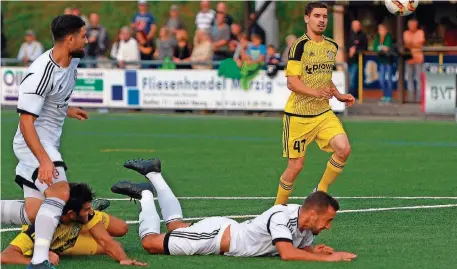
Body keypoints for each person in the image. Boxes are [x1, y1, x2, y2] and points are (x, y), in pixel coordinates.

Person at [111, 158, 357, 262]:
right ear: (312, 214)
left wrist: (314, 250)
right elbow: (287, 253)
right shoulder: (281, 215)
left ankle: (153, 173)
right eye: (327, 220)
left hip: (221, 233)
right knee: (151, 244)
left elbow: (298, 247)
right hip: (215, 237)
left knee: (175, 228)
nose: (328, 226)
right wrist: (329, 258)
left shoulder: (307, 228)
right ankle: (145, 194)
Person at [0, 14, 90, 269]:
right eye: (83, 36)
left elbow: (54, 100)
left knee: (33, 212)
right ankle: (39, 261)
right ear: (70, 39)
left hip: (47, 141)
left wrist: (67, 109)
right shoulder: (39, 73)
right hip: (34, 141)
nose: (87, 41)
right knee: (61, 192)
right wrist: (44, 160)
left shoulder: (72, 60)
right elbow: (26, 123)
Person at [275, 2, 355, 204]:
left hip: (323, 114)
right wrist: (315, 92)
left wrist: (338, 94)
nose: (321, 20)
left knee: (344, 149)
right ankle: (276, 209)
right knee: (296, 167)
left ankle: (321, 189)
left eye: (324, 16)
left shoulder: (331, 46)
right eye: (317, 16)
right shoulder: (299, 46)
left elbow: (324, 77)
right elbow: (292, 83)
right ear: (307, 18)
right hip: (299, 117)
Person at [1, 183, 146, 267]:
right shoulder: (40, 225)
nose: (90, 213)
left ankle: (86, 225)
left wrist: (124, 259)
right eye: (86, 209)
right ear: (71, 213)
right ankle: (85, 229)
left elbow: (107, 240)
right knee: (106, 248)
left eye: (89, 209)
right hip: (60, 242)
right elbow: (6, 256)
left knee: (122, 228)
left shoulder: (86, 215)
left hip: (73, 224)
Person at [403, 18, 425, 103]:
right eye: (410, 25)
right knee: (409, 79)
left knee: (419, 78)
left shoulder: (420, 32)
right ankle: (411, 98)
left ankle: (419, 98)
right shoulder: (405, 33)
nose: (412, 26)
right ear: (408, 26)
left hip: (419, 58)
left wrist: (411, 44)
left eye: (414, 25)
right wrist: (414, 44)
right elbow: (406, 43)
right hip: (409, 58)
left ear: (416, 25)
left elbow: (420, 43)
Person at [373, 24, 394, 104]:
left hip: (388, 61)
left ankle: (389, 96)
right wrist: (381, 48)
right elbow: (375, 48)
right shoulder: (378, 37)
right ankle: (384, 95)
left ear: (386, 30)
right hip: (381, 61)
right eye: (380, 30)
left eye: (382, 29)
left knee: (388, 79)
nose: (381, 31)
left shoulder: (388, 36)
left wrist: (380, 48)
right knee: (381, 79)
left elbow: (387, 47)